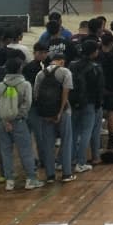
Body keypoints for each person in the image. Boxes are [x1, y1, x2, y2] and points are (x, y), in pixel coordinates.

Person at [0, 57, 41, 190]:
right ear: (20, 69)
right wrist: (17, 116)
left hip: (3, 123)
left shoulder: (0, 85)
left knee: (6, 152)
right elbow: (27, 103)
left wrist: (3, 118)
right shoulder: (25, 85)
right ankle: (31, 179)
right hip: (19, 122)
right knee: (25, 151)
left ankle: (9, 181)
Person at [33, 47, 75, 182]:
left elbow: (36, 95)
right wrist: (60, 112)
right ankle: (66, 173)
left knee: (48, 144)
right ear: (62, 61)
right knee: (66, 141)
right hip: (63, 112)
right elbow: (65, 93)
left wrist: (44, 113)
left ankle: (50, 175)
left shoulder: (40, 74)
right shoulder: (65, 72)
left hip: (45, 113)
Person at [69, 39, 104, 171]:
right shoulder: (95, 68)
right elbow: (99, 88)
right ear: (94, 52)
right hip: (89, 103)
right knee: (86, 132)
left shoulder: (72, 65)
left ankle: (70, 159)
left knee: (73, 132)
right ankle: (81, 162)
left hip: (74, 103)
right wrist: (98, 104)